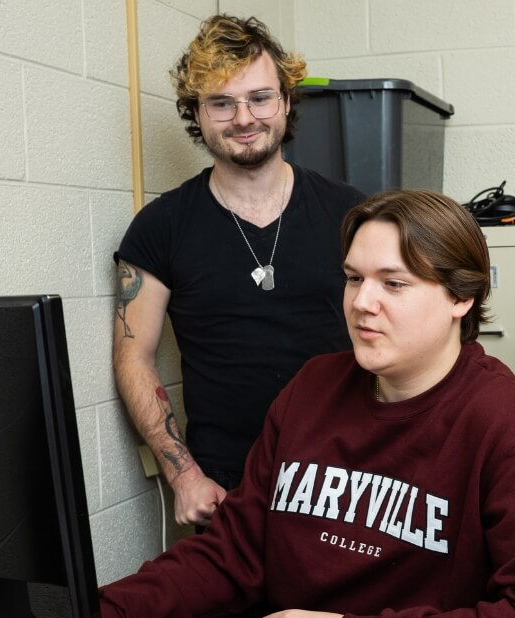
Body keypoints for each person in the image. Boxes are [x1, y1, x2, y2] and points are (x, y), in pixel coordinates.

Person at [23, 189, 515, 618]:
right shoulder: (314, 389)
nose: (360, 303)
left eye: (393, 284)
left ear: (461, 297)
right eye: (353, 279)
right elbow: (230, 556)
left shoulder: (505, 422)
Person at [114, 14, 364, 529]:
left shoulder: (351, 213)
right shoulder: (160, 227)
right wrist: (182, 476)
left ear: (287, 101)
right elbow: (134, 357)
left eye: (260, 97)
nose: (244, 118)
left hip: (350, 475)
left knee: (347, 613)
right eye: (221, 103)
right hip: (229, 488)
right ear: (197, 115)